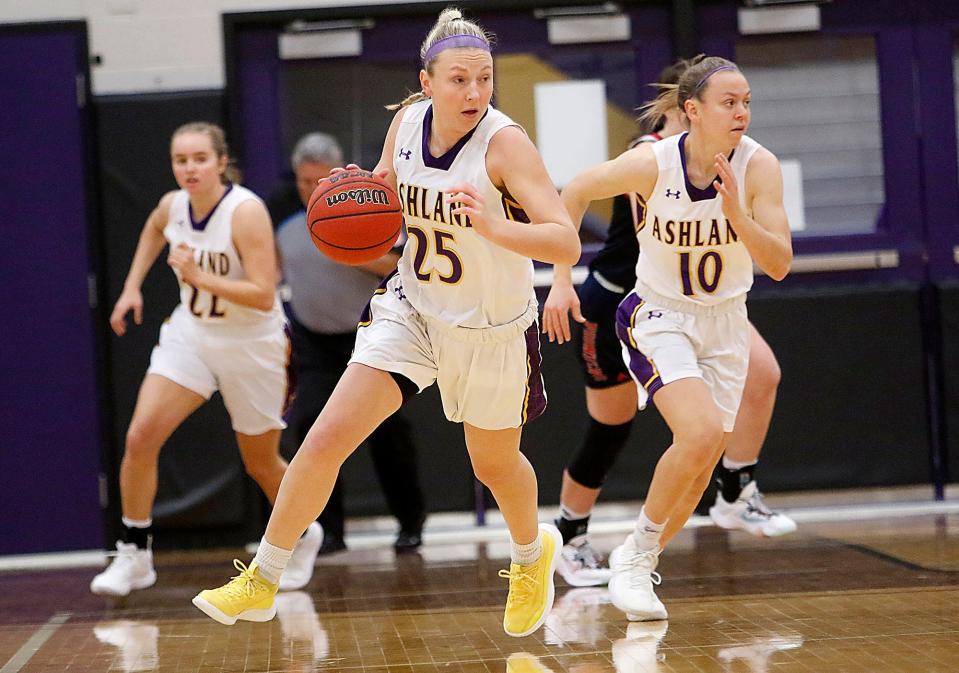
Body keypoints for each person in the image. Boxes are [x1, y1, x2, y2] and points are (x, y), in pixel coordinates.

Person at [192, 8, 581, 638]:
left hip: (490, 325)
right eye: (459, 79)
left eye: (484, 78)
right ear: (426, 81)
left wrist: (493, 225)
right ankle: (263, 578)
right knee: (322, 441)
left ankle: (532, 553)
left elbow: (564, 242)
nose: (475, 92)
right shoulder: (405, 124)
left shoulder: (506, 145)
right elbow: (383, 199)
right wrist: (354, 199)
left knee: (494, 464)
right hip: (413, 307)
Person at [545, 55, 793, 620]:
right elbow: (575, 191)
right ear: (693, 111)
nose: (742, 112)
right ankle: (629, 562)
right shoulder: (651, 163)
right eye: (729, 102)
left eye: (747, 101)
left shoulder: (759, 168)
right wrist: (561, 280)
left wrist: (739, 216)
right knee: (699, 429)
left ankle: (641, 553)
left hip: (726, 322)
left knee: (702, 457)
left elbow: (778, 264)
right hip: (658, 315)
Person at [91, 122, 323, 597]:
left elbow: (262, 295)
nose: (189, 168)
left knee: (261, 463)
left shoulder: (245, 212)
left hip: (253, 345)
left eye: (199, 158)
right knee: (140, 436)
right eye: (181, 160)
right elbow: (154, 229)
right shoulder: (173, 206)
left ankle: (304, 532)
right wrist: (132, 286)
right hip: (193, 336)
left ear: (221, 162)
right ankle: (134, 553)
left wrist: (199, 276)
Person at [275, 132, 427, 553]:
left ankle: (411, 523)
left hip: (370, 339)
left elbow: (402, 267)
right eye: (304, 181)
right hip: (314, 345)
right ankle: (329, 532)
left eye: (318, 180)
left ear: (337, 176)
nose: (310, 189)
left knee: (388, 431)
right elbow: (268, 279)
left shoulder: (371, 218)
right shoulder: (287, 230)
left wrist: (356, 250)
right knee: (313, 432)